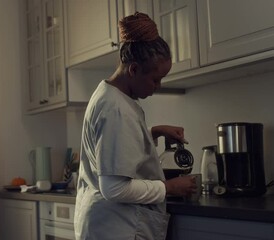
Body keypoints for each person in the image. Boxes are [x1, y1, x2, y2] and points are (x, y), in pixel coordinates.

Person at [74, 12, 197, 240]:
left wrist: (153, 132)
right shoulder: (116, 109)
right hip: (116, 228)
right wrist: (169, 187)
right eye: (155, 79)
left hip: (105, 223)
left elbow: (114, 150)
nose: (158, 86)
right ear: (133, 70)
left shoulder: (108, 95)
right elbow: (114, 188)